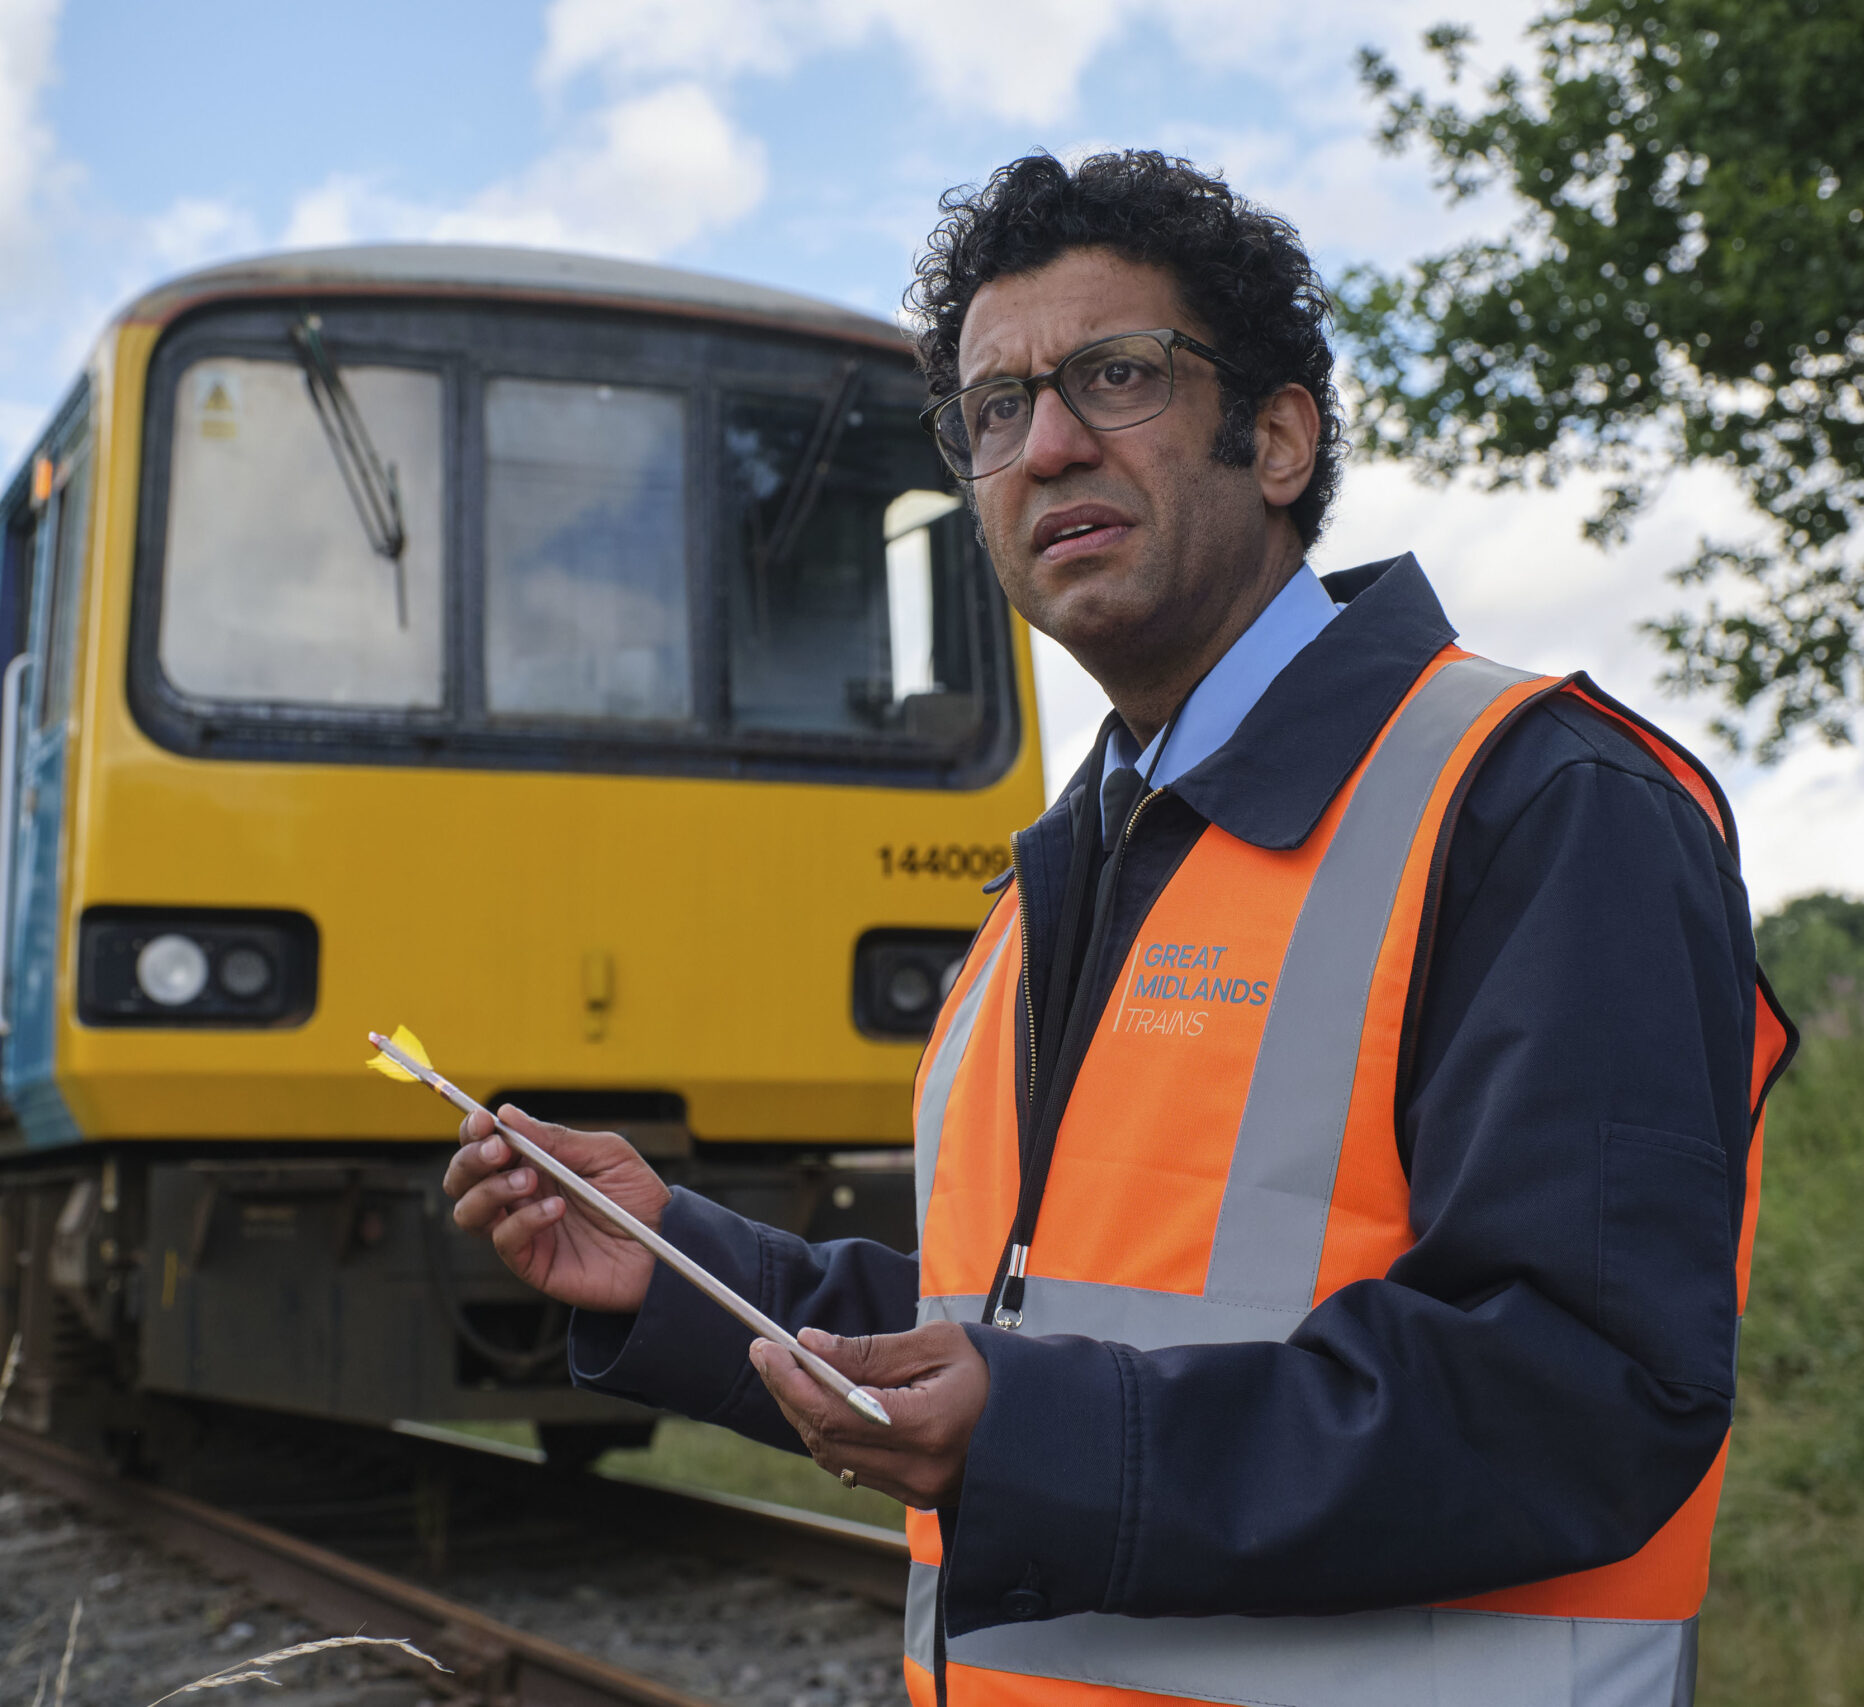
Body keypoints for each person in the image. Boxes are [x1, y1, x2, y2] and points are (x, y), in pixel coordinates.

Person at [444, 151, 1794, 1707]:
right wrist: (678, 1269)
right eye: (996, 410)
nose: (1049, 445)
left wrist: (1034, 1437)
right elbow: (1020, 1331)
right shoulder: (1058, 878)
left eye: (1117, 375)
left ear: (1278, 437)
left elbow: (1591, 1392)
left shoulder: (1543, 807)